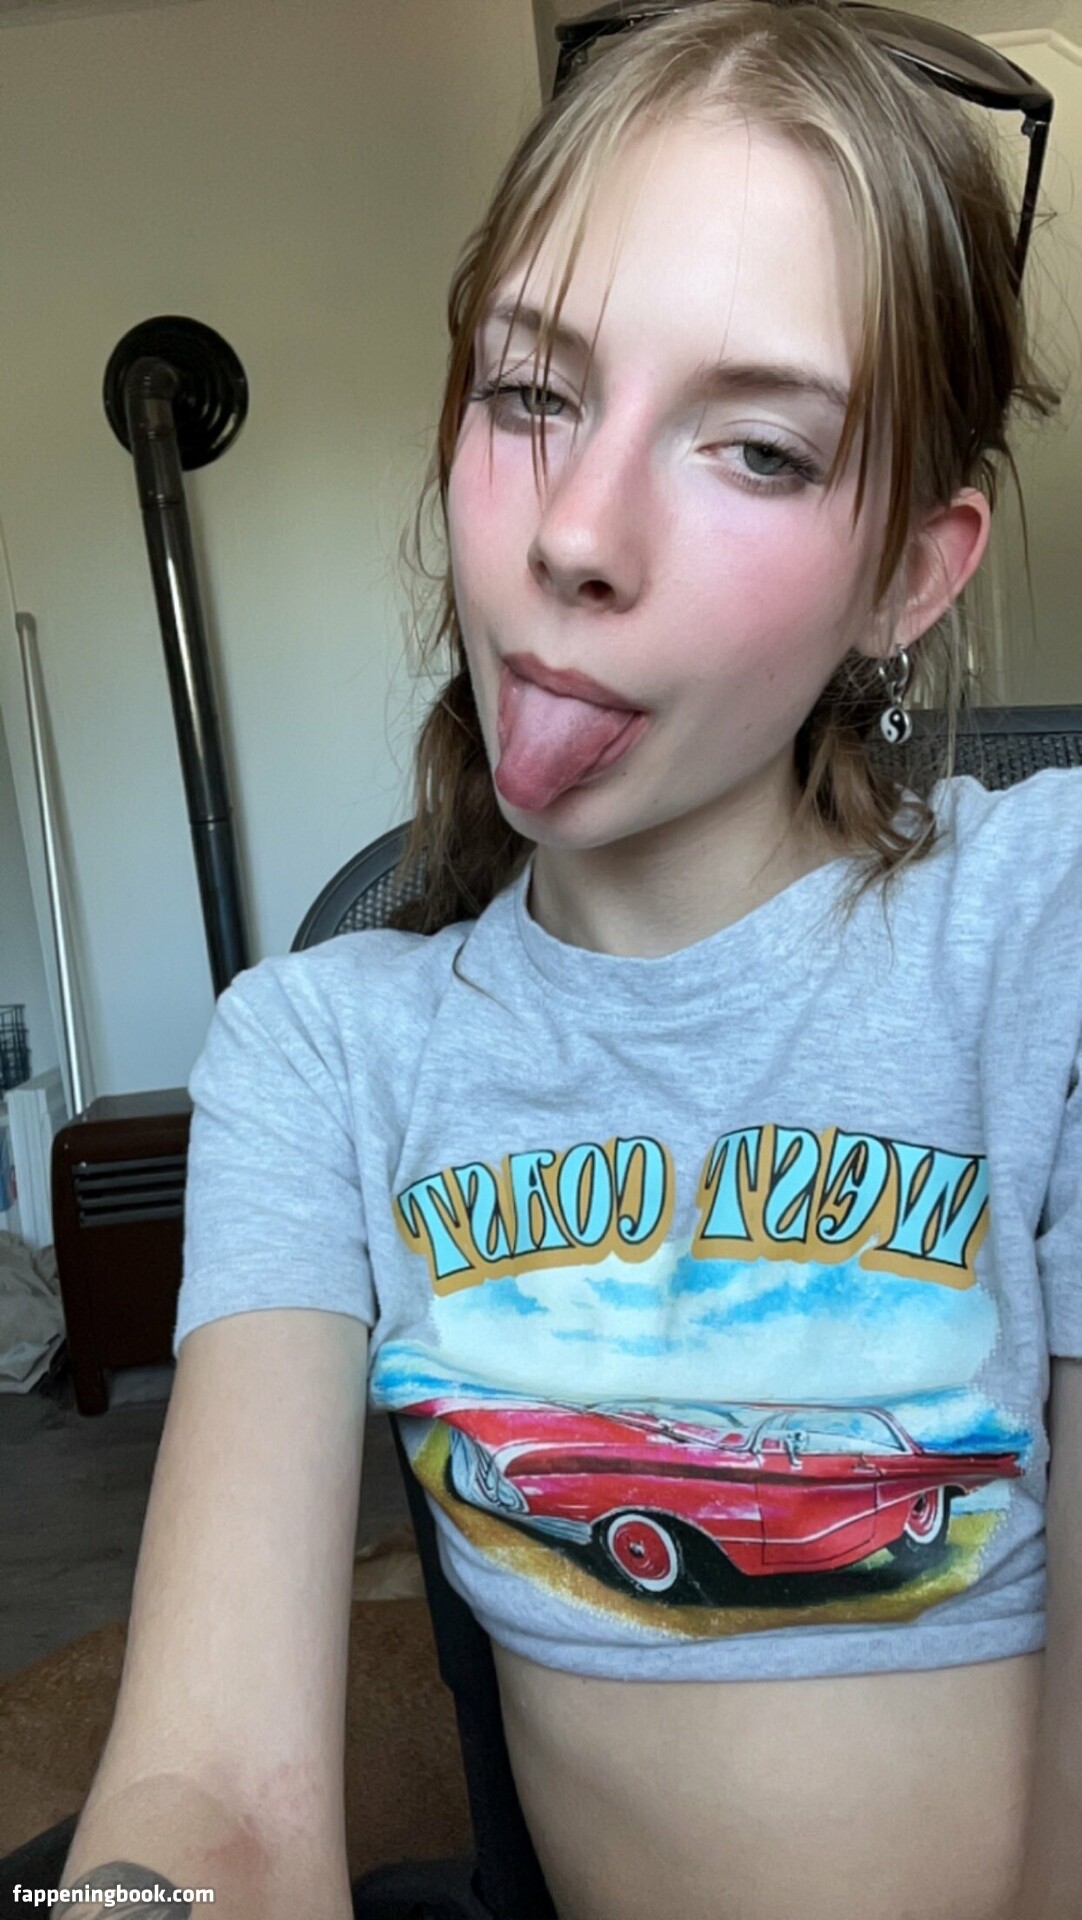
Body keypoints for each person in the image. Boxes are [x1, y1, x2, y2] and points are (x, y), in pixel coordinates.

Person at [55, 4, 1082, 1918]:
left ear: (907, 572)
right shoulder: (320, 1051)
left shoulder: (1048, 939)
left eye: (756, 448)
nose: (576, 536)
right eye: (532, 395)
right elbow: (212, 1795)